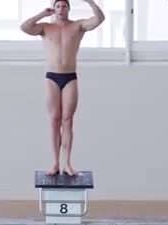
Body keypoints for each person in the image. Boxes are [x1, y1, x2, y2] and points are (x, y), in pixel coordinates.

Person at [20, 0, 105, 176]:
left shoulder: (77, 26)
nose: (61, 9)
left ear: (68, 9)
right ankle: (55, 162)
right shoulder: (44, 27)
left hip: (69, 77)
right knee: (54, 120)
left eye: (64, 6)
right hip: (52, 77)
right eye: (57, 6)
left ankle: (67, 163)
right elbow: (25, 27)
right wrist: (42, 14)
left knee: (67, 120)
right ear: (54, 8)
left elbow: (99, 19)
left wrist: (90, 2)